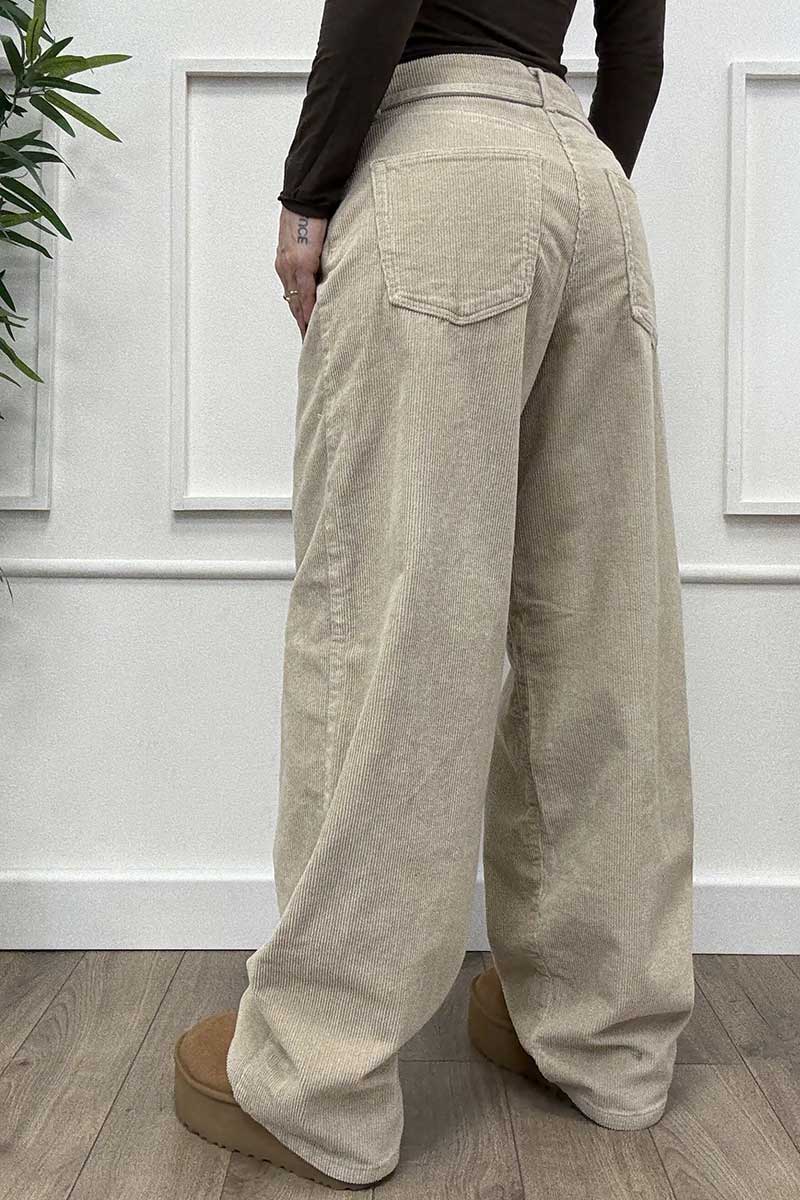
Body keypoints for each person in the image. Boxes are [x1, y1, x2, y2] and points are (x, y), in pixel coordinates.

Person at [172, 0, 695, 1190]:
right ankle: (603, 1038)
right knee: (599, 635)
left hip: (442, 157)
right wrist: (570, 181)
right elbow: (637, 41)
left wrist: (308, 193)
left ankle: (315, 1079)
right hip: (590, 184)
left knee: (389, 626)